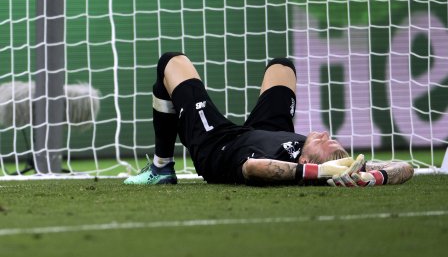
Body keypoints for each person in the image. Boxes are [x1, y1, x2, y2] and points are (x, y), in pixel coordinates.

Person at [124, 52, 414, 187]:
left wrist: (318, 174)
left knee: (171, 62)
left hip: (218, 146)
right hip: (267, 130)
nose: (326, 135)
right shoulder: (326, 165)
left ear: (308, 163)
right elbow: (406, 167)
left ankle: (162, 168)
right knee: (282, 67)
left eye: (327, 144)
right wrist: (376, 175)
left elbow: (252, 167)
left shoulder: (284, 165)